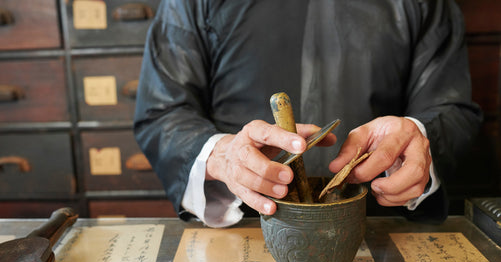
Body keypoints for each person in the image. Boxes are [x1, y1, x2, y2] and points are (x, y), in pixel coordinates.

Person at [134, 0, 482, 228]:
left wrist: (417, 136)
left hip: (377, 231)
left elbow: (452, 108)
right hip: (247, 229)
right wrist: (222, 157)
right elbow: (162, 111)